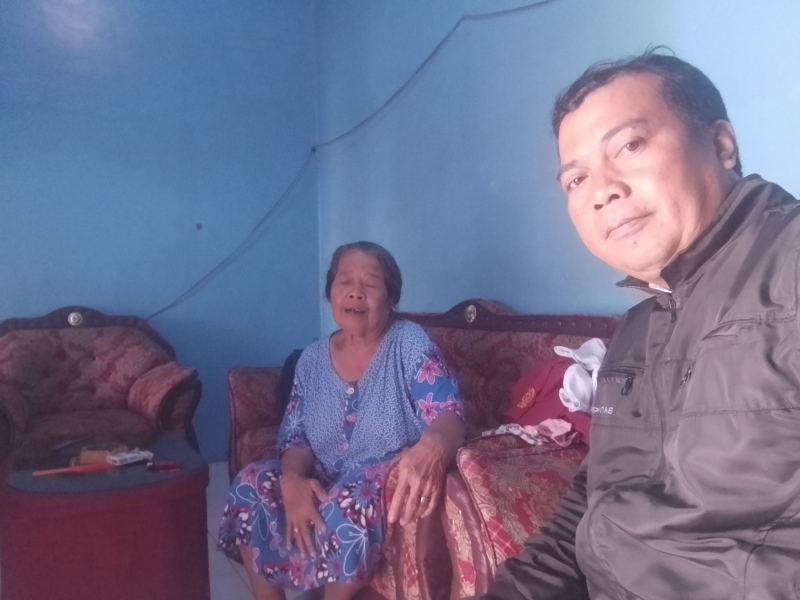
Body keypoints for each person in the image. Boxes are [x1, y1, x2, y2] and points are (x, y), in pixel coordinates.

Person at [481, 49, 800, 599]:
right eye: (576, 179)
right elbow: (592, 509)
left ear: (721, 145)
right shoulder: (635, 330)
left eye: (629, 146)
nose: (602, 190)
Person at [219, 241, 465, 600]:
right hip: (325, 475)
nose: (356, 292)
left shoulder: (408, 343)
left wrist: (434, 446)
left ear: (391, 298)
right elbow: (296, 438)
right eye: (344, 281)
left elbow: (448, 414)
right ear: (330, 293)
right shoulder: (312, 359)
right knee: (251, 482)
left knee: (354, 495)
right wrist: (293, 480)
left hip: (377, 483)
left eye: (371, 283)